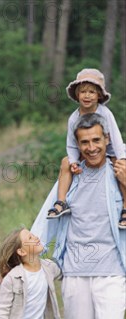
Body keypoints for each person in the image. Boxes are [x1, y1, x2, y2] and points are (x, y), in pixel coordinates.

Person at [33, 113, 126, 319]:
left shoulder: (119, 171)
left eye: (97, 141)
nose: (91, 148)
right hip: (74, 270)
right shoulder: (69, 174)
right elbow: (48, 215)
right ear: (77, 144)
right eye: (84, 142)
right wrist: (29, 249)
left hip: (112, 270)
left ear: (107, 140)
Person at [46, 68, 126, 228]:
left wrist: (121, 157)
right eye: (83, 92)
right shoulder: (74, 118)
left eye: (91, 92)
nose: (87, 95)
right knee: (65, 162)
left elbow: (116, 138)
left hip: (110, 151)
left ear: (99, 96)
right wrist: (74, 161)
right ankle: (61, 202)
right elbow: (70, 142)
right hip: (86, 152)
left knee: (121, 169)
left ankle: (125, 206)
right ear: (77, 95)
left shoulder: (106, 113)